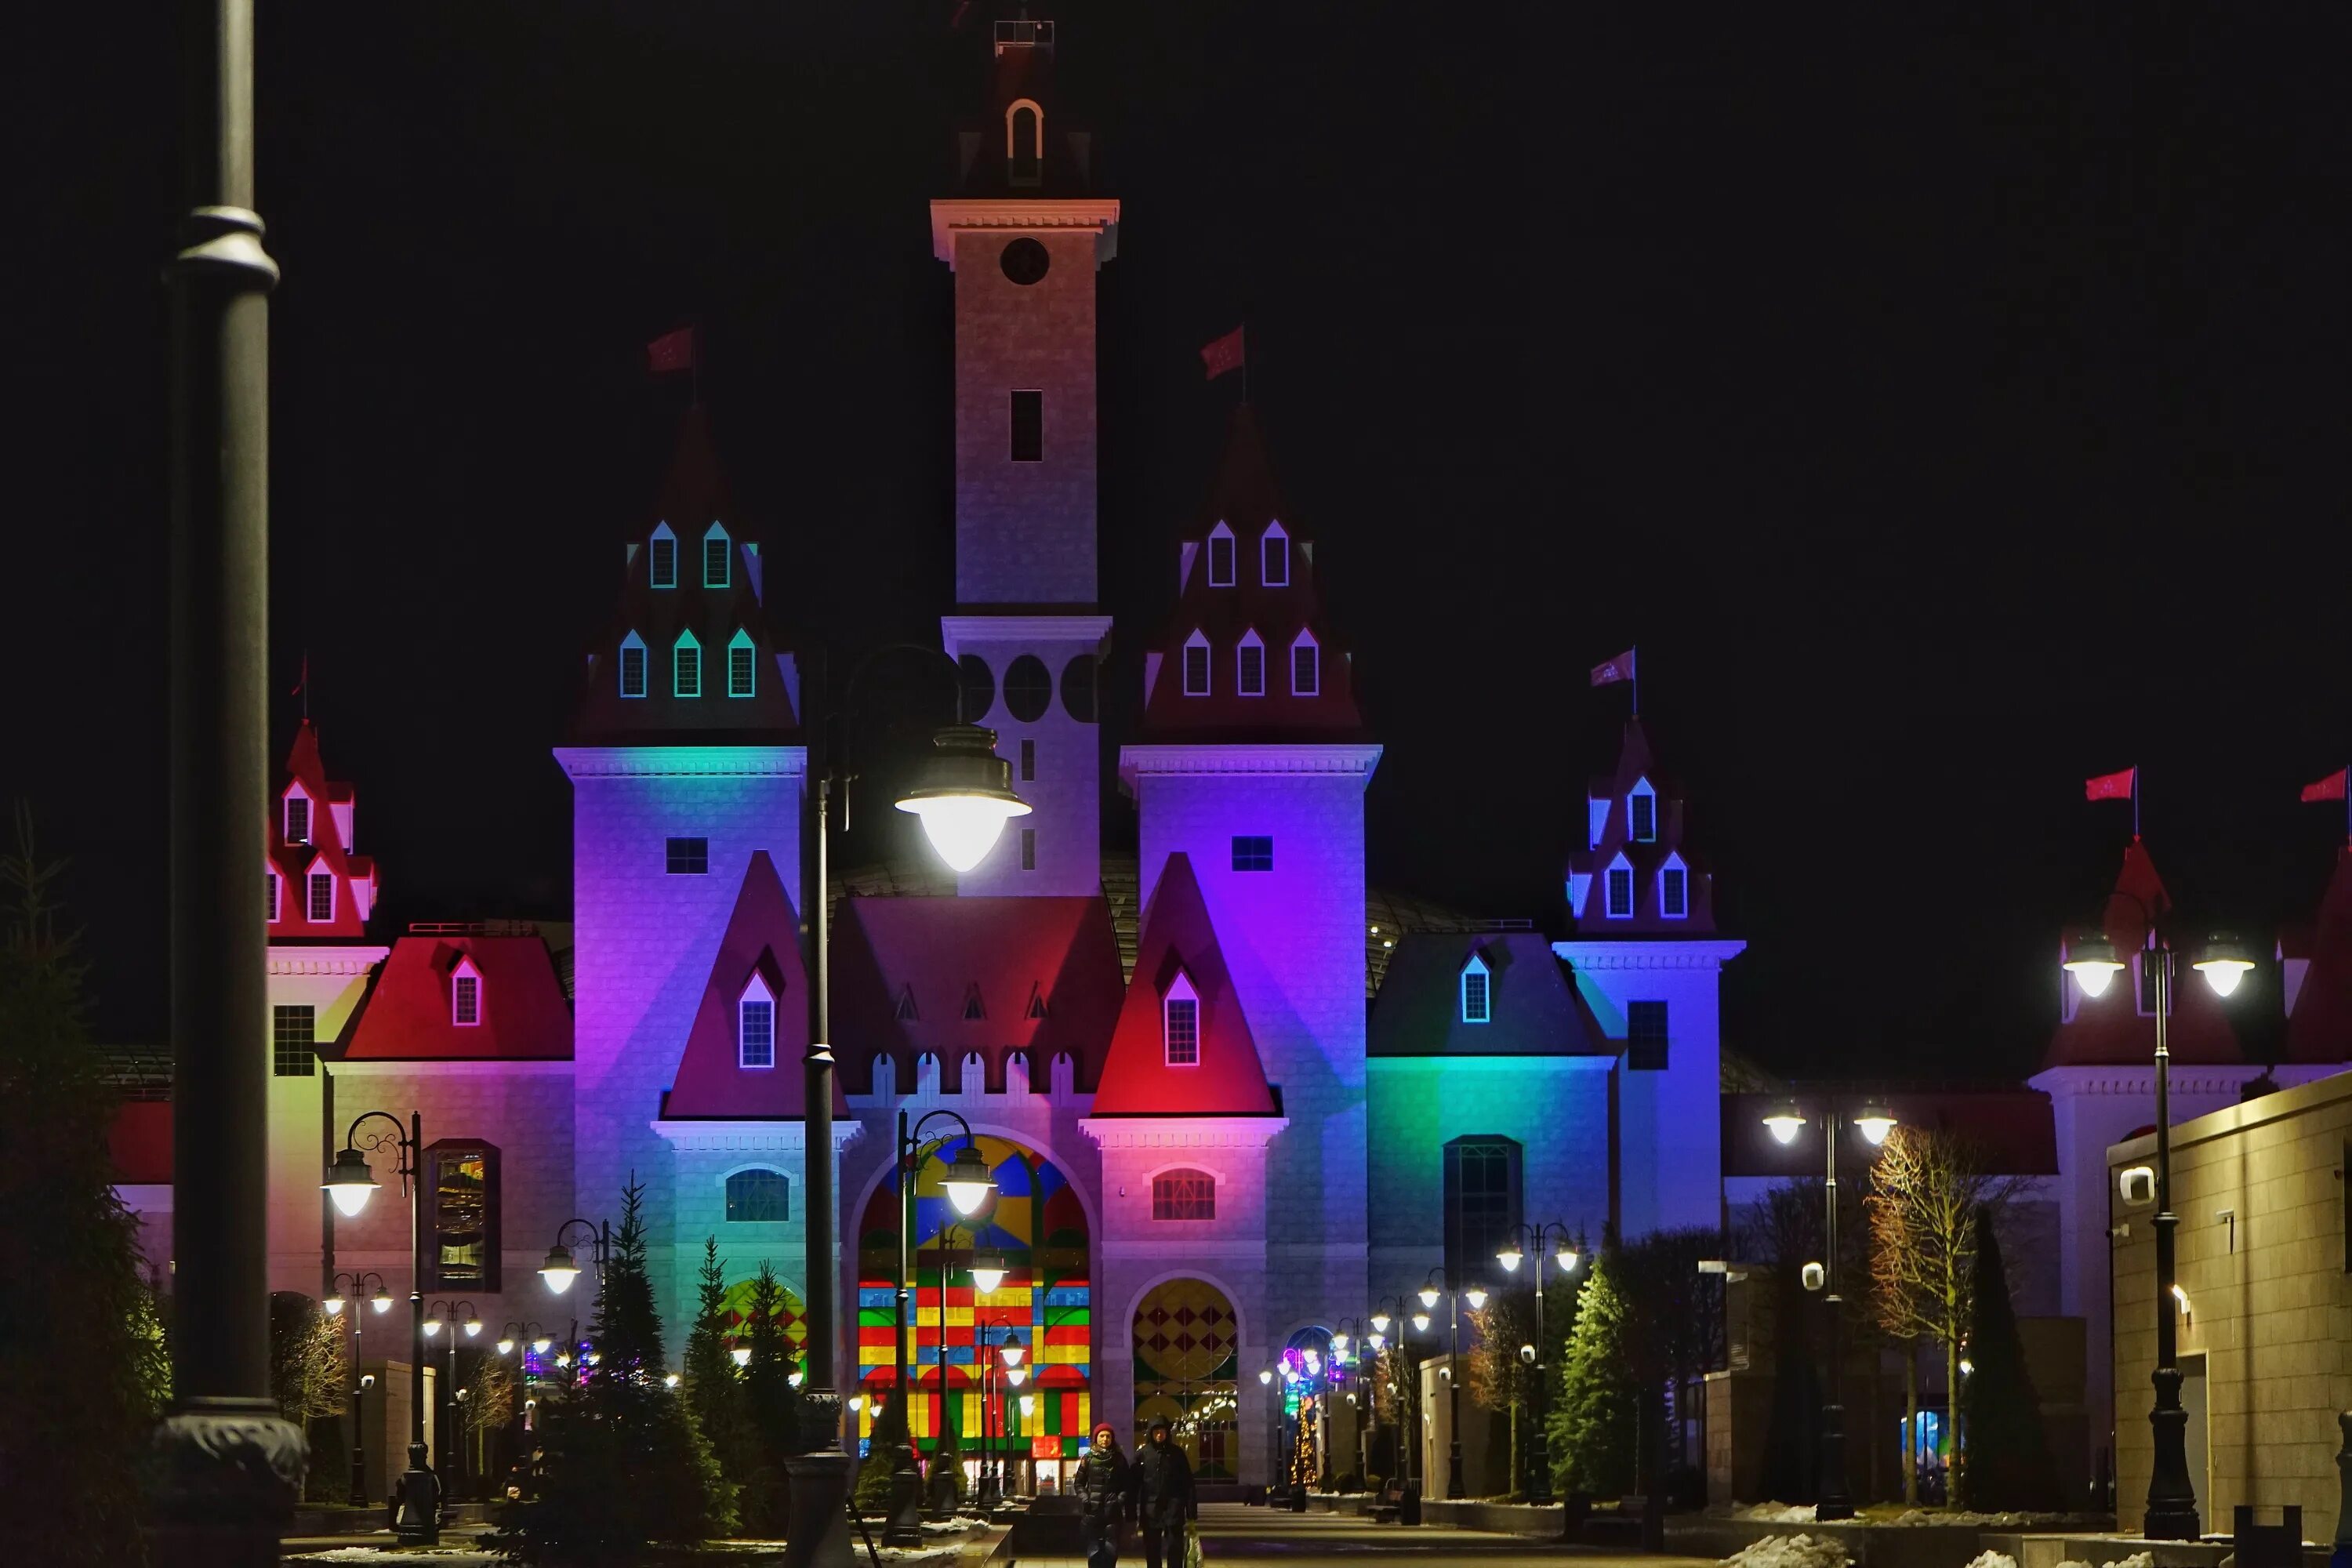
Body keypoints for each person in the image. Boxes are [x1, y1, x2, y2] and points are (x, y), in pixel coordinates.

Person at [1131, 1417, 1196, 1568]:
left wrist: (1191, 1511)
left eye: (1162, 1431)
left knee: (1175, 1548)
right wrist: (1131, 1514)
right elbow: (1134, 1485)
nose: (1159, 1435)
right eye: (1156, 1431)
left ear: (1167, 1433)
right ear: (1151, 1433)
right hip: (1151, 1511)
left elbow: (1188, 1483)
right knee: (1152, 1549)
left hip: (1174, 1508)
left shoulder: (1177, 1454)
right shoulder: (1143, 1455)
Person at [1077, 1421, 1133, 1568]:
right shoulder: (1088, 1459)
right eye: (1102, 1436)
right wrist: (1085, 1498)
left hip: (1112, 1514)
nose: (1105, 1439)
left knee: (1111, 1552)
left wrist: (1118, 1500)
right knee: (1094, 1553)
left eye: (1108, 1436)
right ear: (1096, 1438)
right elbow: (1079, 1484)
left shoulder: (1119, 1459)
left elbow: (1127, 1485)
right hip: (1092, 1513)